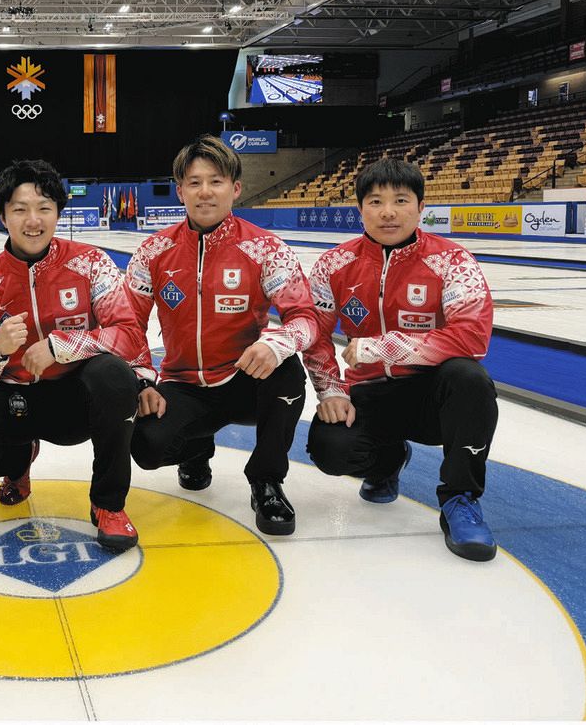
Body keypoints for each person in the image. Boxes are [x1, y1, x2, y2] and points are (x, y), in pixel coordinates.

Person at [0, 160, 149, 551]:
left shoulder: (91, 264)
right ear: (2, 216)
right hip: (12, 401)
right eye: (20, 209)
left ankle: (108, 505)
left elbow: (130, 335)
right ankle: (18, 462)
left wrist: (60, 347)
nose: (33, 220)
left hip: (74, 401)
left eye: (44, 207)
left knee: (115, 375)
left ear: (58, 213)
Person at [303, 158, 499, 562]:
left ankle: (460, 499)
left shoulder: (452, 261)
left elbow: (472, 336)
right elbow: (315, 335)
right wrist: (331, 391)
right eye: (375, 201)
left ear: (421, 207)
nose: (388, 212)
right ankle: (386, 463)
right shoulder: (334, 264)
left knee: (470, 378)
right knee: (329, 447)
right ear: (360, 209)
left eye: (401, 200)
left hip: (433, 395)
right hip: (371, 392)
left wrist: (384, 347)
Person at [124, 135, 316, 536]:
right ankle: (195, 448)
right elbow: (128, 325)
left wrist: (276, 343)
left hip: (246, 378)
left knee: (287, 371)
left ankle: (266, 481)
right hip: (184, 383)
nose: (205, 191)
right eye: (194, 182)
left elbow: (305, 317)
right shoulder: (153, 251)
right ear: (180, 191)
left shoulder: (266, 248)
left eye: (216, 181)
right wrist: (142, 378)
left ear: (236, 188)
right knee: (146, 445)